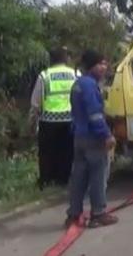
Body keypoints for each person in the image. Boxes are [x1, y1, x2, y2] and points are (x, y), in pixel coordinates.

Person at [65, 50, 117, 229]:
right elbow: (94, 115)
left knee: (78, 177)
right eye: (101, 63)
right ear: (91, 66)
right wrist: (107, 135)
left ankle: (73, 214)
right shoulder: (89, 85)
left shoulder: (78, 84)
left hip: (79, 137)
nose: (104, 67)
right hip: (93, 138)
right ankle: (98, 214)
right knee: (98, 175)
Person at [29, 47, 78, 187]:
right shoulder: (75, 74)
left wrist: (32, 122)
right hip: (70, 120)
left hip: (49, 121)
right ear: (66, 59)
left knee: (47, 153)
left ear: (51, 60)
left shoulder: (45, 76)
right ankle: (64, 179)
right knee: (67, 152)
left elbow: (35, 103)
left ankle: (46, 180)